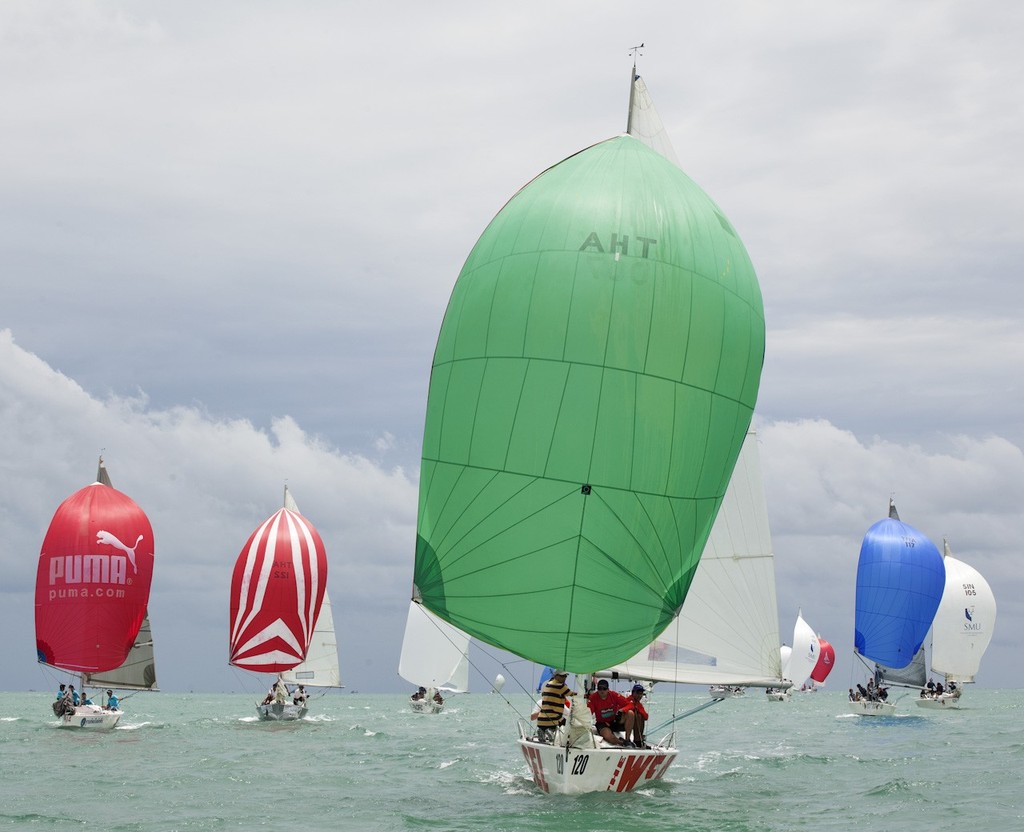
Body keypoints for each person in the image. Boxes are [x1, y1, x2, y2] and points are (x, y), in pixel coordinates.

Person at [586, 679, 630, 746]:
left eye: (604, 689)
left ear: (608, 689)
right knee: (610, 738)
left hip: (614, 721)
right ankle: (622, 743)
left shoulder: (614, 695)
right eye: (600, 689)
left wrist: (622, 710)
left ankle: (628, 739)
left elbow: (629, 704)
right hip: (602, 723)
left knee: (630, 713)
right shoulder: (593, 698)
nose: (602, 691)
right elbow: (588, 713)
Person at [535, 670, 573, 743]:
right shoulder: (561, 686)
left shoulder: (548, 685)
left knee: (543, 731)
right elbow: (572, 694)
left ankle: (542, 732)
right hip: (553, 719)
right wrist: (586, 695)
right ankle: (551, 731)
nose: (564, 678)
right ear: (556, 676)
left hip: (541, 720)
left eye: (565, 676)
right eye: (562, 676)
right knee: (568, 725)